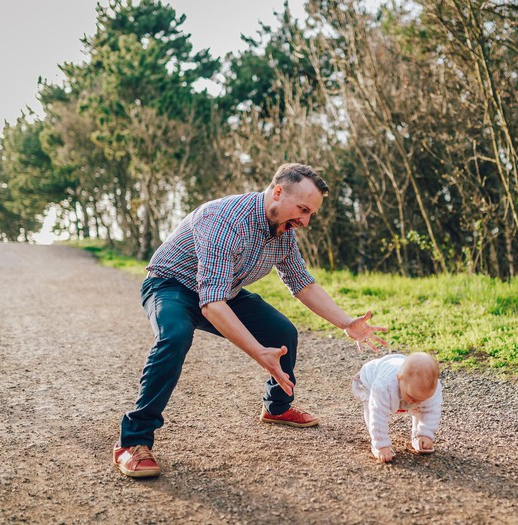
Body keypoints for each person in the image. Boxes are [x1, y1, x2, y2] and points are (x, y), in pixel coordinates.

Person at [113, 163, 388, 478]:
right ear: (278, 192)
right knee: (175, 336)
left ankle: (277, 408)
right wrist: (259, 352)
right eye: (302, 209)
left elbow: (302, 283)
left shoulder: (283, 230)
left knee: (282, 331)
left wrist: (346, 323)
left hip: (222, 290)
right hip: (171, 286)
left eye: (311, 213)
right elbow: (211, 305)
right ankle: (132, 441)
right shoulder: (224, 221)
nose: (306, 220)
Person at [351, 352, 442, 463]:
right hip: (369, 380)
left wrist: (426, 434)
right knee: (372, 407)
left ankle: (418, 436)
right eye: (411, 397)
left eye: (421, 398)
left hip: (398, 373)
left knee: (422, 407)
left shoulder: (430, 389)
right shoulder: (383, 386)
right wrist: (381, 445)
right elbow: (378, 414)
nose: (415, 402)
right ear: (400, 379)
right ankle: (377, 445)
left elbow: (431, 411)